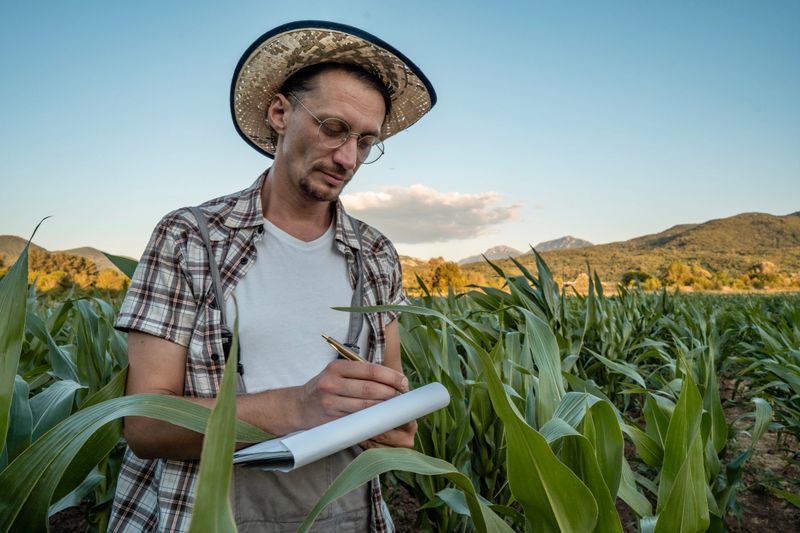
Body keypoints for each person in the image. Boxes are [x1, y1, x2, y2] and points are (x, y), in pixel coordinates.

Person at [108, 21, 436, 533]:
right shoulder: (192, 239)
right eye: (333, 128)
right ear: (280, 113)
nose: (348, 158)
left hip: (345, 512)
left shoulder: (376, 254)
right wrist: (298, 407)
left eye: (366, 142)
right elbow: (146, 426)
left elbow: (386, 391)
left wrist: (391, 424)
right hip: (209, 510)